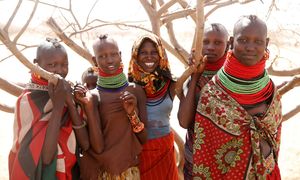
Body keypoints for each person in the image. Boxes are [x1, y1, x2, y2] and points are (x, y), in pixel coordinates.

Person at [192, 15, 282, 179]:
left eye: (258, 41)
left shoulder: (271, 91)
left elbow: (274, 140)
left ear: (267, 43)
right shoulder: (213, 92)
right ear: (232, 42)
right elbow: (206, 152)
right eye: (244, 40)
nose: (250, 47)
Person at [8, 38, 89, 180]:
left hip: (71, 171)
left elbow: (85, 144)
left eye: (65, 65)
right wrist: (58, 106)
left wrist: (70, 103)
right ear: (36, 64)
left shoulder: (69, 91)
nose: (60, 71)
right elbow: (46, 158)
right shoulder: (27, 101)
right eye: (52, 65)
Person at [74, 34, 148, 180]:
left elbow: (143, 138)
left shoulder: (136, 91)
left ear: (120, 55)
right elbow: (98, 147)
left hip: (130, 172)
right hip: (103, 173)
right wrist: (89, 106)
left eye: (113, 54)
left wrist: (132, 114)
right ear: (95, 60)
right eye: (102, 56)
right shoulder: (93, 97)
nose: (109, 60)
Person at [177, 23, 229, 180]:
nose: (211, 47)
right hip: (195, 158)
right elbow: (184, 122)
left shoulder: (233, 77)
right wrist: (195, 77)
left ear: (228, 45)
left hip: (227, 161)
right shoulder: (193, 76)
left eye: (218, 42)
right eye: (205, 42)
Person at [128, 33, 178, 179]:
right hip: (138, 151)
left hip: (165, 148)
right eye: (143, 52)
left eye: (154, 52)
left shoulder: (171, 84)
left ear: (161, 54)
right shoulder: (128, 86)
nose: (149, 57)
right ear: (136, 55)